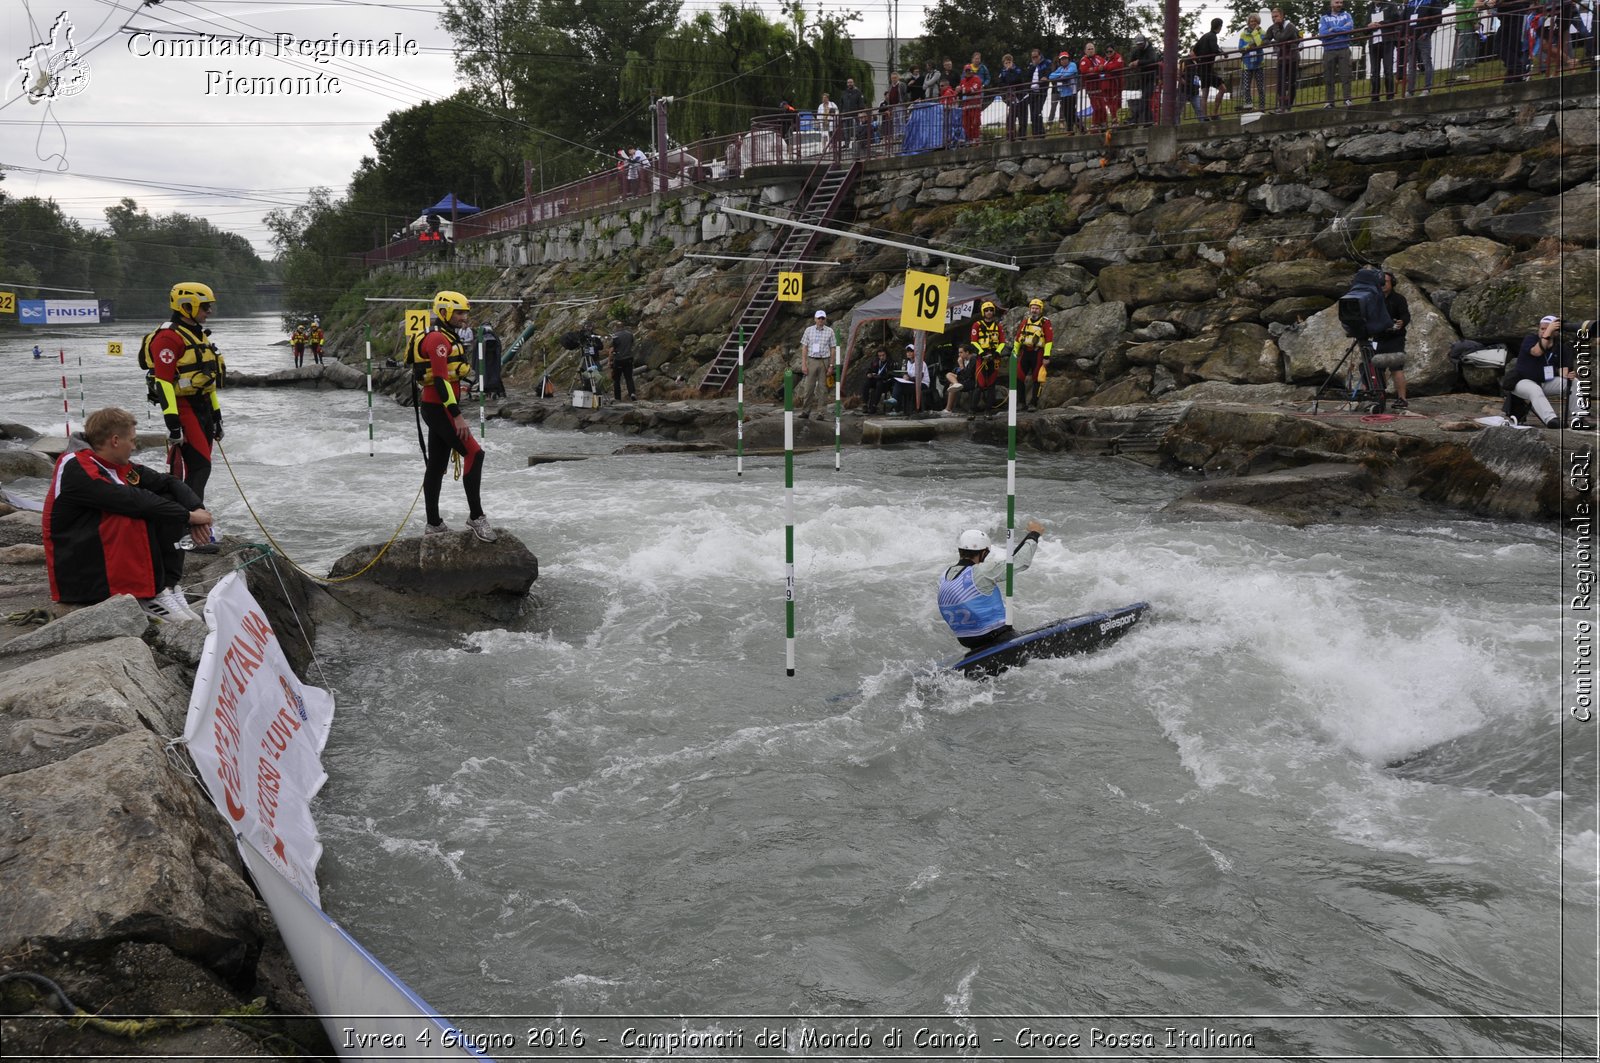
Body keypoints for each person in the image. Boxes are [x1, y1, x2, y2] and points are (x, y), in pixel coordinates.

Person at [44, 406, 213, 623]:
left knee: (168, 499)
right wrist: (189, 517)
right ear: (115, 441)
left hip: (100, 555)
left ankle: (167, 588)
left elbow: (168, 482)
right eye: (132, 441)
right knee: (142, 512)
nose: (134, 446)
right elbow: (130, 500)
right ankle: (150, 594)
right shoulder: (76, 466)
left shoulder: (113, 464)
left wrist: (197, 508)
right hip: (80, 573)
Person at [408, 290, 496, 541]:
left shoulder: (447, 336)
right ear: (444, 312)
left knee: (436, 464)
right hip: (439, 409)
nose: (464, 317)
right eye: (458, 312)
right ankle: (476, 517)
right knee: (475, 453)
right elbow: (440, 380)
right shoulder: (437, 340)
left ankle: (433, 523)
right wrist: (457, 415)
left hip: (440, 407)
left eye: (465, 313)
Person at [143, 281, 225, 527]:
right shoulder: (168, 338)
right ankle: (190, 525)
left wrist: (217, 416)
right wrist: (173, 424)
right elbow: (164, 382)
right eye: (205, 306)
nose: (209, 311)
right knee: (200, 467)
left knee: (201, 468)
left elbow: (207, 382)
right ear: (186, 306)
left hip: (203, 409)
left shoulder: (199, 335)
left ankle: (186, 520)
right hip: (183, 409)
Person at [938, 519, 1047, 650]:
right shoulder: (982, 571)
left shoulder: (943, 576)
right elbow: (1020, 562)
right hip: (995, 636)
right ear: (983, 553)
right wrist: (1034, 534)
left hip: (968, 641)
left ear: (960, 550)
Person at [1507, 315, 1594, 429]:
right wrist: (1548, 331)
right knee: (1534, 389)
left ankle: (1578, 419)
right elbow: (1537, 352)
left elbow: (1566, 369)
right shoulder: (1530, 339)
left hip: (1544, 382)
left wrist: (1566, 373)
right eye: (1542, 329)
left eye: (1547, 328)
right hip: (1522, 381)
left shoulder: (1560, 347)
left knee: (1574, 382)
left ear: (1556, 332)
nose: (1544, 331)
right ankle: (1551, 420)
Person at [1373, 270, 1411, 408]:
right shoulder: (1374, 298)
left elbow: (1406, 315)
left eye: (1386, 281)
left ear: (1392, 283)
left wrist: (1402, 322)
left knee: (1396, 368)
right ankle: (1380, 396)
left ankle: (1402, 399)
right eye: (1380, 282)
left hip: (1395, 338)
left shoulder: (1399, 299)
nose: (1382, 284)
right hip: (1378, 337)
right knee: (1378, 369)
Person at [1014, 298, 1054, 411]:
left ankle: (1033, 403)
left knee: (1037, 378)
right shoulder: (1025, 321)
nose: (1034, 310)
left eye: (1037, 308)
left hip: (1038, 352)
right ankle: (1021, 402)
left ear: (1040, 310)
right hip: (1025, 351)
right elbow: (1018, 338)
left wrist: (1046, 356)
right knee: (1019, 376)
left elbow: (1049, 340)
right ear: (1030, 309)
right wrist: (1015, 352)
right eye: (1033, 308)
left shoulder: (1045, 322)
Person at [796, 309, 835, 419]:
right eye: (819, 318)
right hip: (812, 360)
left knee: (823, 388)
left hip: (824, 360)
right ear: (815, 319)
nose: (821, 320)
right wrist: (803, 364)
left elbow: (833, 349)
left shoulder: (830, 331)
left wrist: (831, 365)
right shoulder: (808, 330)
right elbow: (804, 347)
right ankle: (806, 411)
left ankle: (821, 413)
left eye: (823, 318)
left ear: (825, 319)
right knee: (809, 387)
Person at [1320, 0, 1358, 106]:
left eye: (1341, 2)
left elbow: (1349, 28)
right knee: (1329, 77)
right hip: (1329, 50)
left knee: (1346, 75)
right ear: (1331, 3)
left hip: (1344, 48)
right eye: (1337, 2)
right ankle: (1329, 101)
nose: (1339, 5)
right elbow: (1322, 33)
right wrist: (1341, 31)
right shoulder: (1324, 18)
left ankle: (1347, 99)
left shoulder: (1347, 15)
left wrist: (1333, 29)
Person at [1265, 8, 1303, 112]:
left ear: (1282, 16)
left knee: (1291, 82)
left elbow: (1281, 38)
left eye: (1276, 16)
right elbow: (1266, 39)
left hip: (1293, 58)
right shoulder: (1273, 27)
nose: (1274, 19)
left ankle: (1288, 106)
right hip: (1281, 58)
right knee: (1280, 82)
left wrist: (1276, 29)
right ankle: (1281, 106)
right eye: (1272, 17)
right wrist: (1270, 42)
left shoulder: (1289, 26)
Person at [1195, 18, 1226, 116]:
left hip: (1201, 68)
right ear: (1220, 27)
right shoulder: (1213, 36)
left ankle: (1204, 117)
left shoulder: (1204, 36)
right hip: (1207, 69)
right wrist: (1223, 53)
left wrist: (1198, 61)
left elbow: (1194, 50)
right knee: (1223, 89)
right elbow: (1214, 49)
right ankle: (1214, 113)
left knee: (1205, 94)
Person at [1240, 14, 1269, 110]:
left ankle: (1262, 106)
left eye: (1254, 21)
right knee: (1246, 88)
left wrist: (1255, 33)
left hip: (1258, 64)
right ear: (1248, 22)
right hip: (1246, 65)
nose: (1253, 23)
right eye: (1251, 21)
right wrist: (1248, 47)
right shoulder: (1243, 34)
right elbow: (1240, 48)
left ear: (1258, 22)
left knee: (1260, 87)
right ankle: (1249, 106)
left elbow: (1260, 43)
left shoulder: (1262, 32)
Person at [892, 344, 930, 415]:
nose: (908, 353)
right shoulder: (909, 363)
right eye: (907, 351)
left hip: (922, 384)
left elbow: (919, 377)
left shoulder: (921, 362)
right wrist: (905, 375)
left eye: (911, 351)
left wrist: (909, 378)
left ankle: (896, 406)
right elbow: (907, 373)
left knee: (900, 387)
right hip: (912, 383)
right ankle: (896, 405)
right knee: (898, 384)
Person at [997, 53, 1028, 141]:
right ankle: (1010, 137)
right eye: (1006, 63)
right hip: (1012, 98)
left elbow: (1016, 79)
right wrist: (1007, 83)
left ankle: (1022, 137)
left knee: (1023, 119)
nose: (1008, 65)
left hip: (1022, 97)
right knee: (1010, 118)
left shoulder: (1017, 70)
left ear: (1012, 62)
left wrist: (1010, 72)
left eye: (1009, 62)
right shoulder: (1002, 72)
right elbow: (1000, 83)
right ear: (1003, 64)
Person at [1049, 51, 1080, 133]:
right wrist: (1061, 76)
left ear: (1068, 59)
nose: (1064, 61)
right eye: (1062, 59)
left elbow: (1070, 72)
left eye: (1065, 59)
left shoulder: (1072, 65)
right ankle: (1076, 129)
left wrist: (1060, 76)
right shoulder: (1060, 68)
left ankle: (1072, 129)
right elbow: (1051, 76)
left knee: (1071, 112)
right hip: (1063, 94)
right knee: (1066, 113)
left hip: (1072, 93)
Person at [943, 344, 977, 414]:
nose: (959, 354)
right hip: (965, 379)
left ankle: (948, 409)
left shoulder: (973, 359)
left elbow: (968, 375)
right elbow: (962, 374)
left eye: (961, 352)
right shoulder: (965, 360)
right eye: (959, 352)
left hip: (972, 382)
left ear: (967, 352)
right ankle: (956, 384)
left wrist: (961, 365)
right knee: (949, 374)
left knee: (951, 386)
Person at [608, 325, 637, 401]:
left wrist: (610, 361)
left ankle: (617, 398)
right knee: (629, 378)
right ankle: (632, 393)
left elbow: (611, 349)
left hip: (618, 360)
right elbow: (633, 344)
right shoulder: (630, 334)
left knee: (616, 379)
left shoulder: (615, 336)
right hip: (629, 359)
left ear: (616, 328)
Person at [862, 348, 894, 413]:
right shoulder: (876, 361)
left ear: (886, 355)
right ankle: (864, 404)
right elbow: (870, 369)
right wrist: (869, 374)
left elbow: (890, 374)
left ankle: (874, 405)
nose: (881, 357)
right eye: (880, 356)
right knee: (866, 383)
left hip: (886, 382)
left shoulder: (891, 362)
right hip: (876, 380)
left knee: (879, 384)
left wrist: (879, 376)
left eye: (883, 355)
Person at [959, 63, 985, 142]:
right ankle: (969, 140)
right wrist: (964, 90)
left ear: (971, 71)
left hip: (975, 106)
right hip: (966, 106)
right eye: (966, 71)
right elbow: (960, 91)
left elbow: (973, 89)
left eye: (969, 70)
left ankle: (976, 141)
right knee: (966, 125)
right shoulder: (962, 81)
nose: (968, 72)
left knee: (975, 123)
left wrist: (964, 90)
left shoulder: (977, 79)